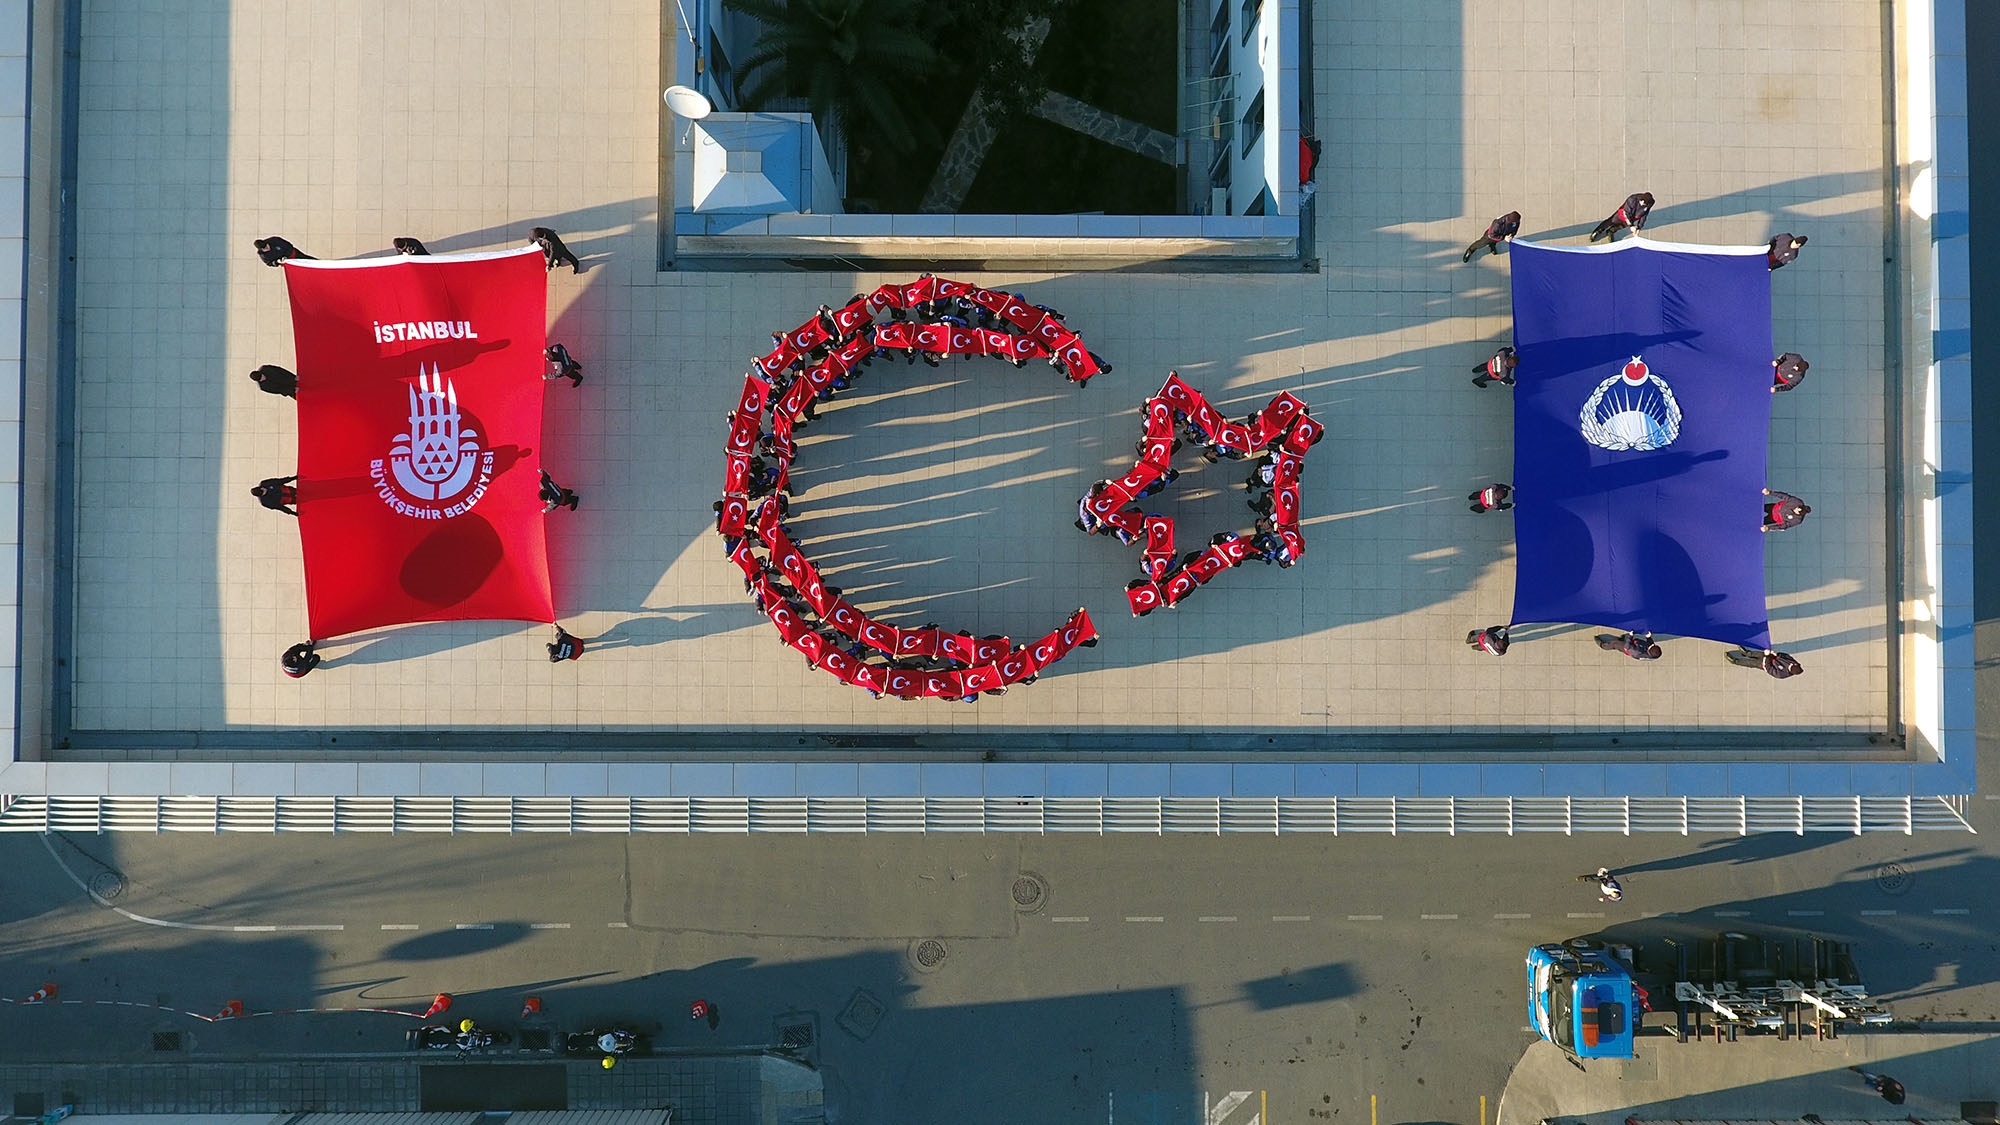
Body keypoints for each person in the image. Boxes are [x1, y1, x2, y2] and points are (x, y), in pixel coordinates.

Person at [1588, 191, 1655, 242]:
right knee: (1610, 221)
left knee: (1621, 226)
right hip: (1622, 215)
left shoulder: (1649, 204)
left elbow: (1644, 215)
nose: (1642, 204)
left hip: (1633, 218)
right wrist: (1631, 226)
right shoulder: (1632, 199)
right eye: (1642, 202)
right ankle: (1597, 231)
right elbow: (1627, 213)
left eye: (1644, 203)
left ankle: (1610, 231)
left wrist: (1639, 227)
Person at [1726, 647, 1804, 679]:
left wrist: (1767, 657)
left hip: (1765, 664)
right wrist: (1777, 654)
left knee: (1750, 663)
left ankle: (1735, 661)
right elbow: (1787, 656)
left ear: (1791, 670)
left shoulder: (1782, 674)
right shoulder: (1794, 663)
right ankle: (1746, 653)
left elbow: (1769, 669)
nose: (1790, 664)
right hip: (1771, 657)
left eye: (1791, 666)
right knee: (1755, 654)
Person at [1596, 631, 1662, 660]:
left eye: (1652, 646)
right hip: (1635, 645)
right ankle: (1622, 640)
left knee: (1615, 644)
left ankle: (1603, 646)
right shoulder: (1653, 653)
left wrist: (1630, 637)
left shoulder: (1637, 652)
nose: (1652, 644)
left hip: (1628, 648)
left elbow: (1627, 647)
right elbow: (1651, 644)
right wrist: (1648, 638)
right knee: (1625, 640)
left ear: (1649, 650)